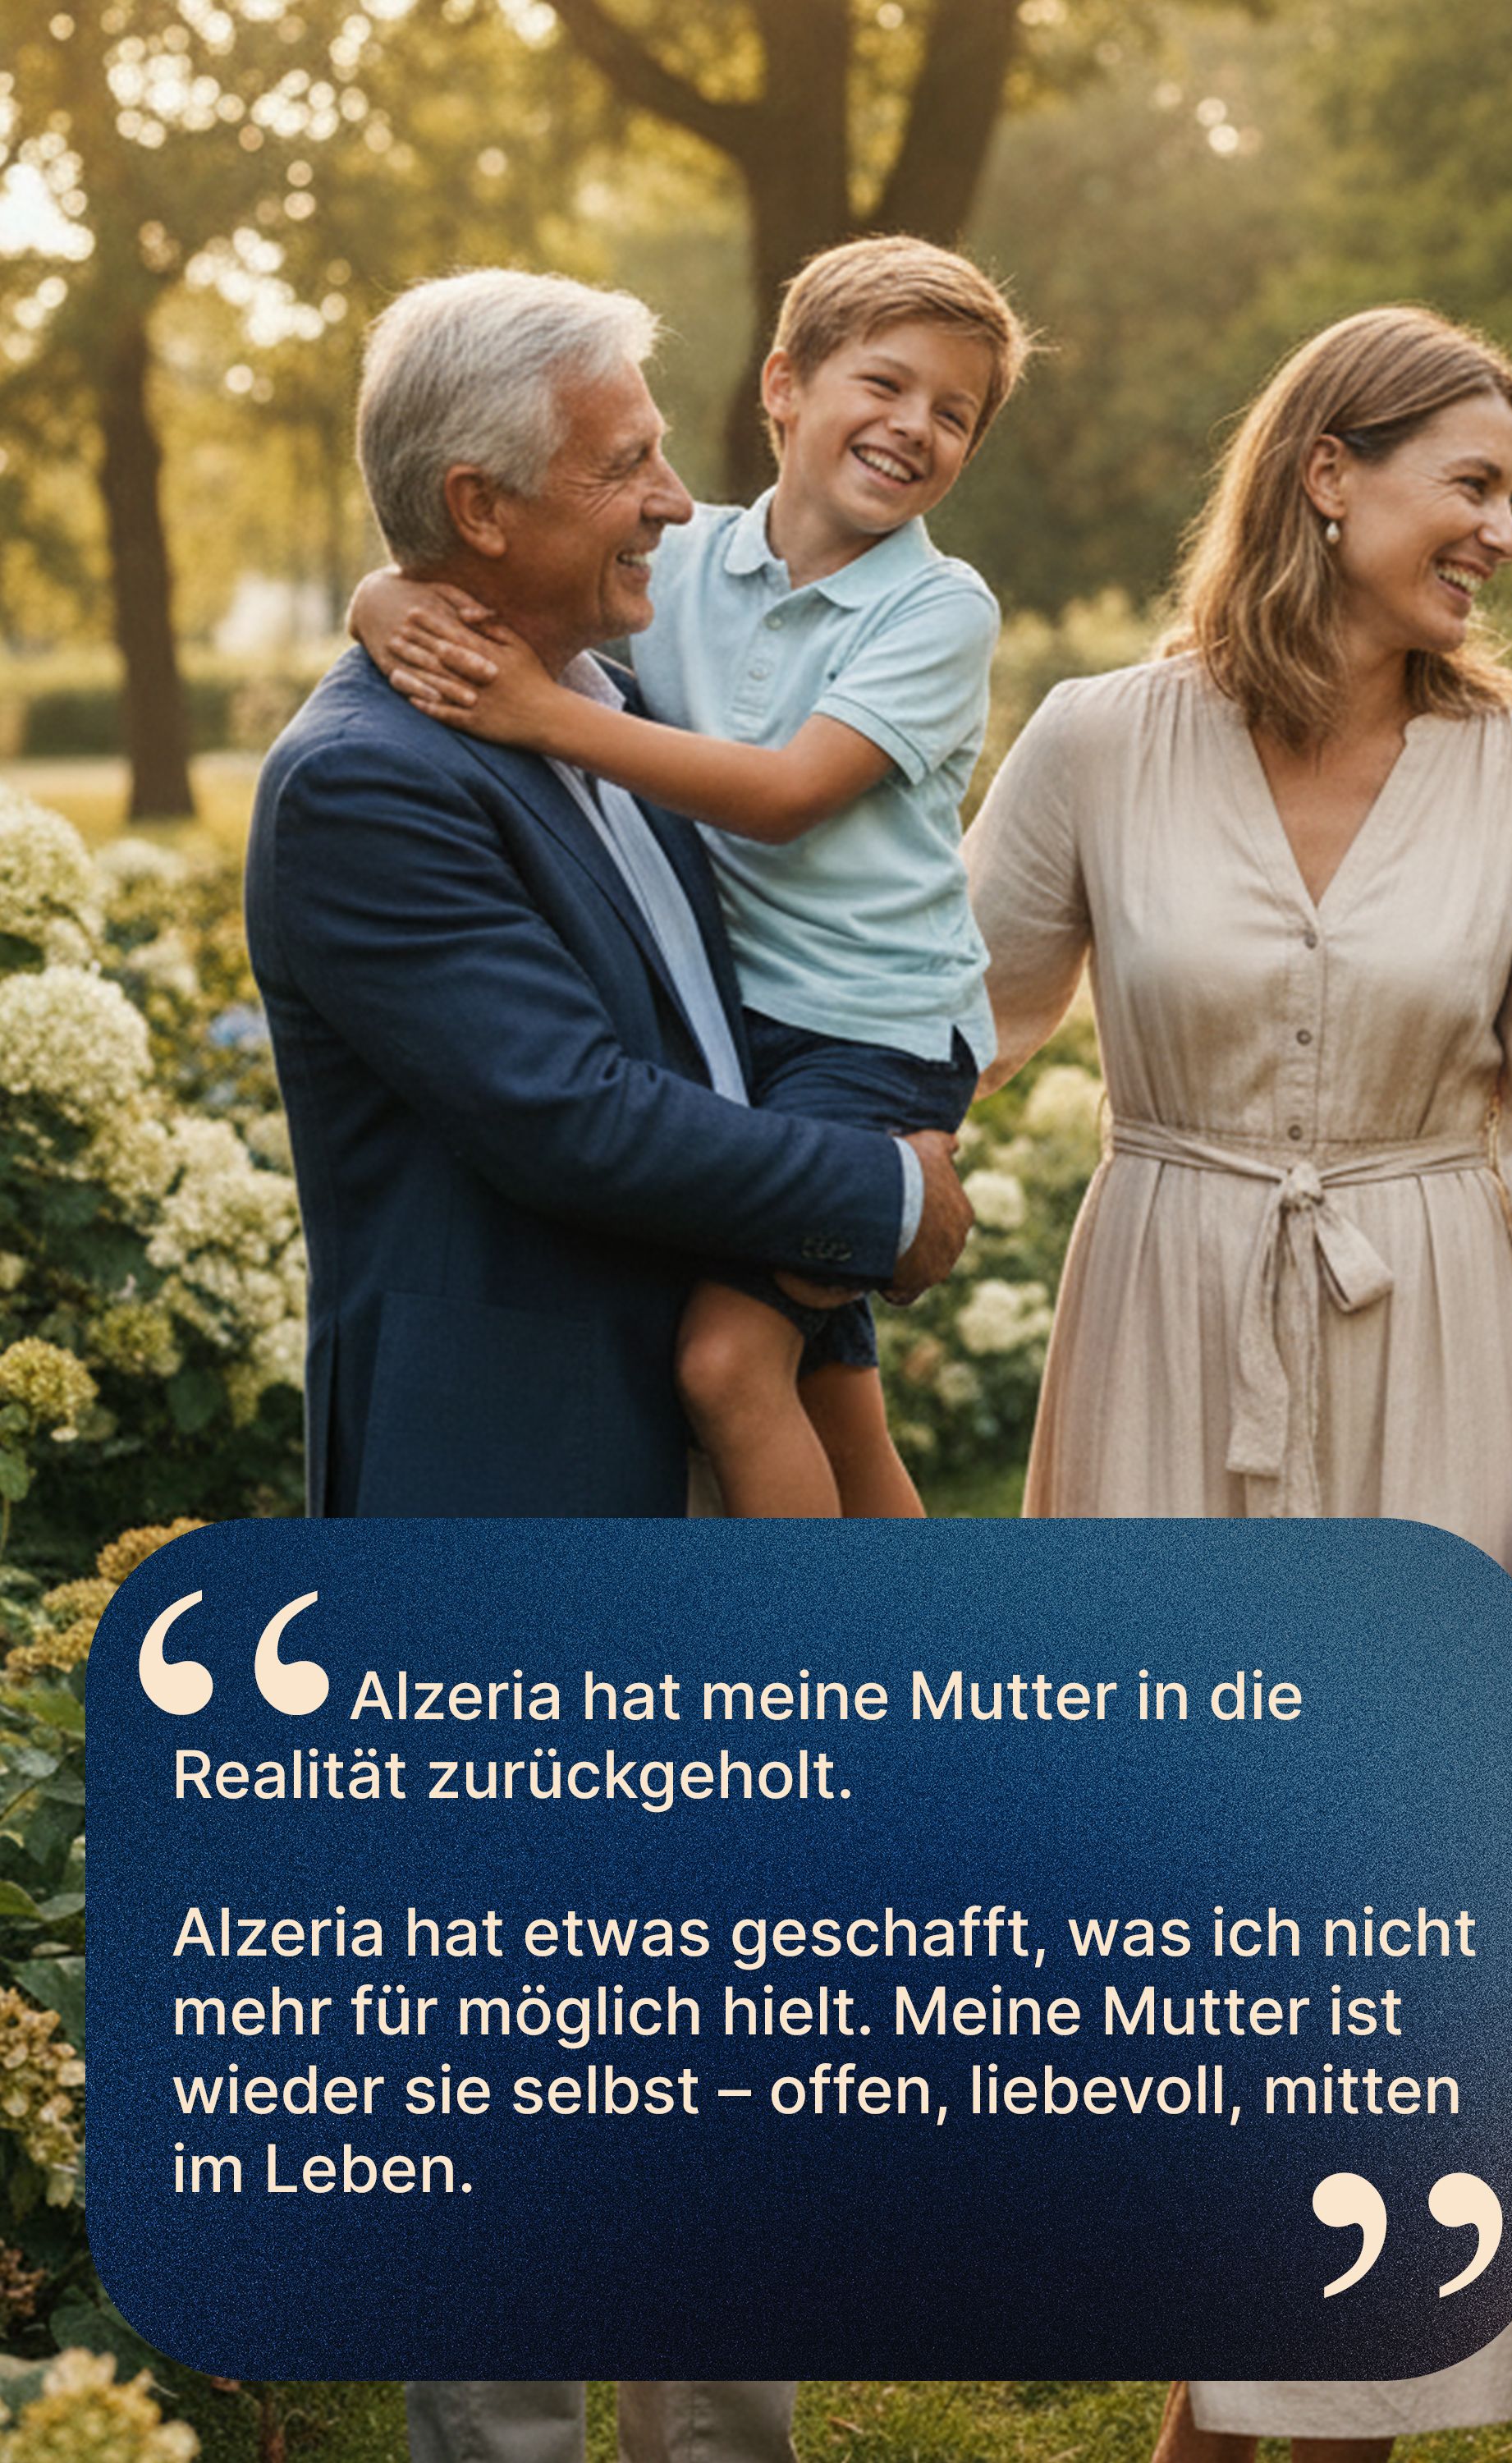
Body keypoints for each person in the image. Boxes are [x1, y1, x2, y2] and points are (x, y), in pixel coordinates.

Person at [245, 266, 971, 2463]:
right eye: (624, 459)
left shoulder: (582, 710)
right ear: (481, 510)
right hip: (513, 1521)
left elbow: (752, 1002)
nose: (675, 493)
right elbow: (574, 1116)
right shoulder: (368, 789)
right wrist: (891, 1211)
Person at [964, 306, 1512, 2461]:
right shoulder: (1098, 741)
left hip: (1429, 1347)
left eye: (1508, 496)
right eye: (1472, 484)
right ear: (1326, 474)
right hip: (1168, 1327)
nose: (1505, 535)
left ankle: (1315, 2404)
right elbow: (925, 1037)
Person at [352, 236, 1030, 1520]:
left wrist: (538, 716)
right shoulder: (688, 557)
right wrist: (381, 600)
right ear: (783, 387)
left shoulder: (940, 610)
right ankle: (933, 1672)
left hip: (867, 1034)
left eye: (955, 415)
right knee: (835, 1398)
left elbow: (784, 799)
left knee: (726, 1369)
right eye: (883, 386)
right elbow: (494, 557)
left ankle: (810, 1676)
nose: (915, 428)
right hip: (745, 1027)